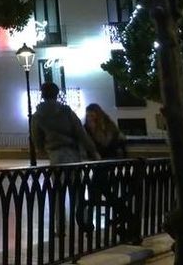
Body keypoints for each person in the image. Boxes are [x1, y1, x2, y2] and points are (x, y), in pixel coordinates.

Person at [31, 83, 100, 237]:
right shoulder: (66, 112)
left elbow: (37, 139)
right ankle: (84, 224)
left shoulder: (38, 116)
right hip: (73, 155)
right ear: (57, 94)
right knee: (78, 193)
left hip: (56, 157)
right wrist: (93, 151)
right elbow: (81, 133)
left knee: (58, 195)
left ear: (42, 95)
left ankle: (60, 228)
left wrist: (42, 149)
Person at [83, 103, 136, 240]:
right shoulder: (88, 128)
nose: (89, 117)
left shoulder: (108, 127)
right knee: (103, 192)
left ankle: (124, 216)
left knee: (101, 192)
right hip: (101, 164)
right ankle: (125, 216)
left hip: (108, 164)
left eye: (91, 114)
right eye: (88, 114)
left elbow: (115, 143)